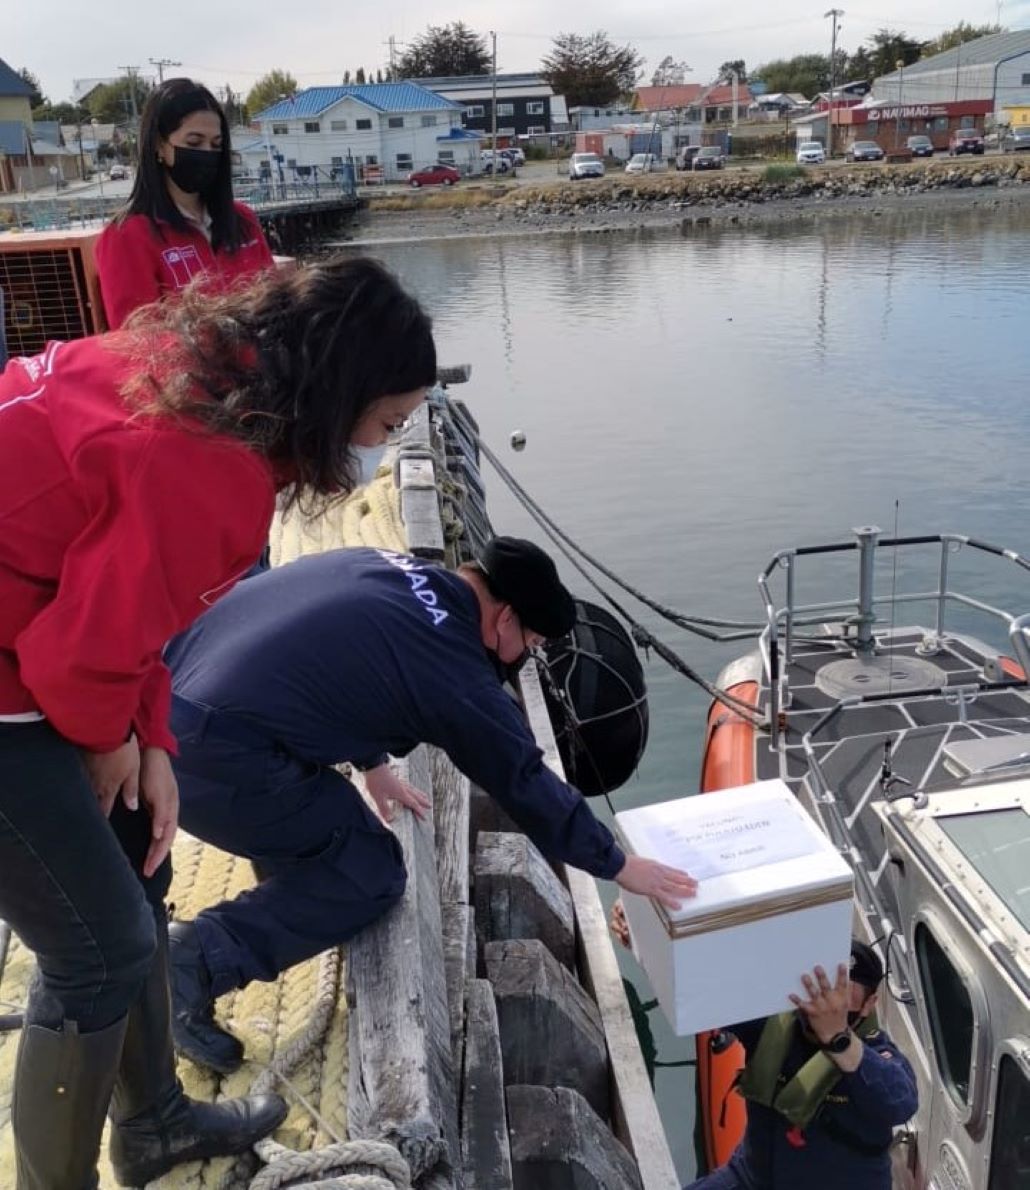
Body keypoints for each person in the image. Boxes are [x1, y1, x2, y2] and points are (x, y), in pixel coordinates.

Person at [0, 254, 436, 1189]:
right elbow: (74, 663)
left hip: (28, 624)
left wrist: (151, 736)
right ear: (340, 391)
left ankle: (154, 1122)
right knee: (97, 947)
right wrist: (114, 736)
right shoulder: (213, 467)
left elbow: (135, 607)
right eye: (388, 425)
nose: (384, 452)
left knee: (141, 862)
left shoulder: (191, 371)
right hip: (17, 660)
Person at [161, 538, 699, 1073]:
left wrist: (372, 762)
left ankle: (273, 896)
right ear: (505, 618)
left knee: (330, 830)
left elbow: (337, 657)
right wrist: (619, 865)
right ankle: (188, 964)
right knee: (370, 873)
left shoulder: (384, 566)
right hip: (206, 756)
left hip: (166, 695)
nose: (529, 652)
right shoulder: (457, 669)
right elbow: (523, 778)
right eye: (531, 639)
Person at [612, 906, 917, 1190]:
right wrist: (643, 938)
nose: (830, 1004)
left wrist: (839, 1038)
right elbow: (699, 993)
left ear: (869, 1004)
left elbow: (899, 1102)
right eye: (824, 989)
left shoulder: (878, 1055)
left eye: (844, 995)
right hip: (752, 1177)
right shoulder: (773, 1025)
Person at [96, 78, 274, 329]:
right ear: (159, 145)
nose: (207, 154)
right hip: (193, 367)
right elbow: (137, 344)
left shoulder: (243, 221)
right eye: (193, 142)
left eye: (216, 145)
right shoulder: (127, 237)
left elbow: (277, 306)